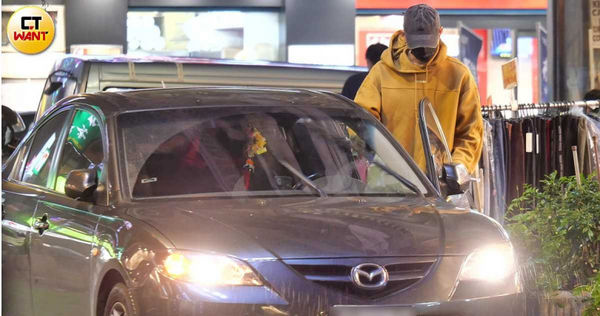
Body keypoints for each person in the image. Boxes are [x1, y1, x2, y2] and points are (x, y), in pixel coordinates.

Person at [354, 3, 483, 175]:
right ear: (404, 35)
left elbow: (471, 131)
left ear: (440, 32)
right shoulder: (381, 73)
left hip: (441, 186)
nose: (423, 49)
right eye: (417, 43)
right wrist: (372, 153)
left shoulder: (458, 76)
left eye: (428, 42)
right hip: (391, 184)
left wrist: (459, 166)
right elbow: (360, 121)